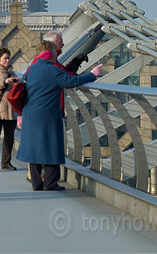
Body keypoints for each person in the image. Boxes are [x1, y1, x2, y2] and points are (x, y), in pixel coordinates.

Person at [16, 40, 101, 191]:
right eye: (55, 52)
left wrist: (19, 114)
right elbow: (71, 80)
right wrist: (92, 75)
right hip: (47, 115)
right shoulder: (52, 70)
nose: (57, 55)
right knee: (51, 147)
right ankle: (50, 183)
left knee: (35, 148)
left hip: (30, 113)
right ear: (49, 54)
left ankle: (36, 183)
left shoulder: (32, 69)